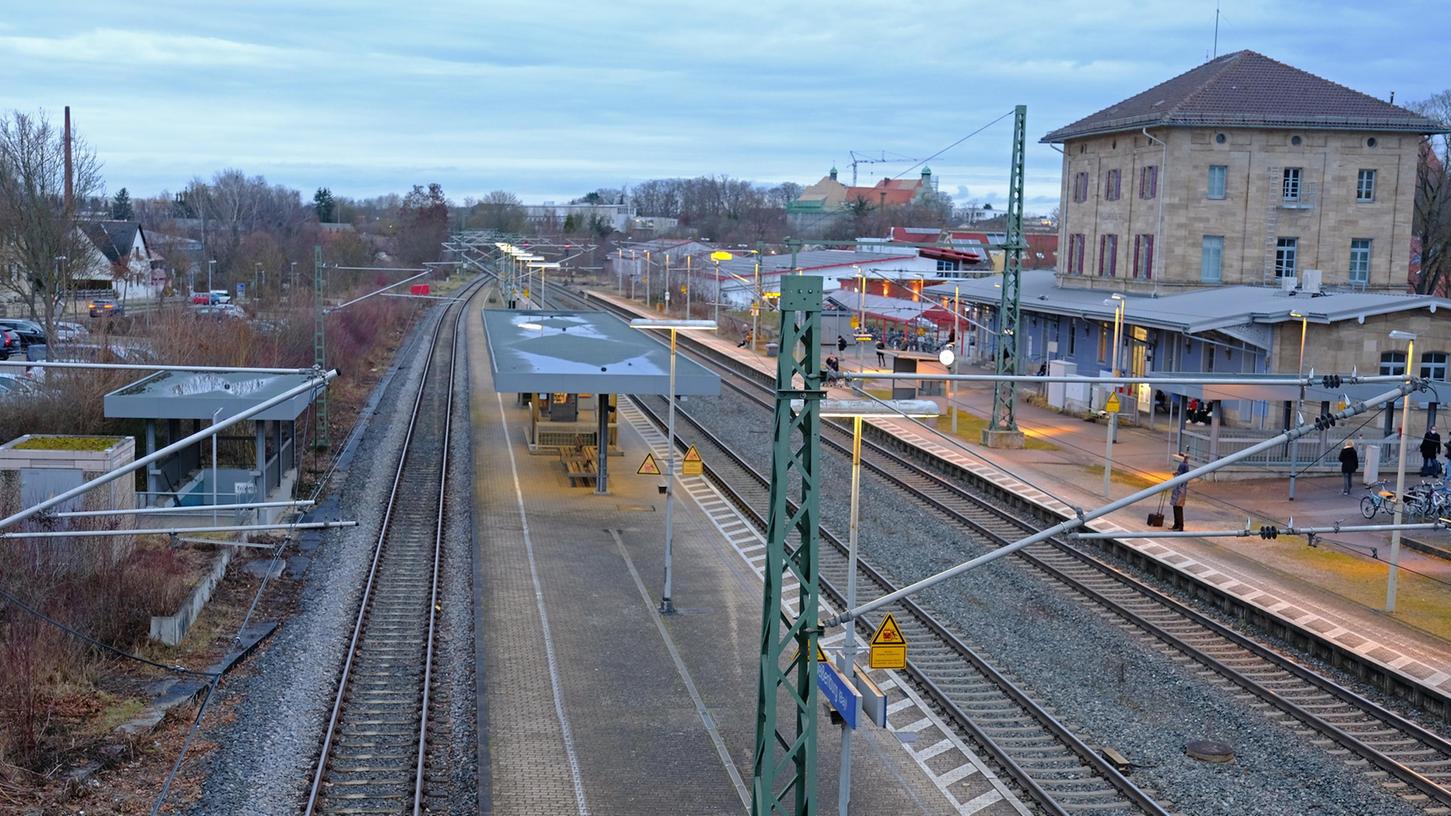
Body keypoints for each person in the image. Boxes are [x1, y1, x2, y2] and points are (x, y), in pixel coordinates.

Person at [1169, 452, 1191, 531]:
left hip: (1180, 488)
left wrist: (1177, 475)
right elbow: (1180, 473)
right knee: (1176, 506)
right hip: (1178, 487)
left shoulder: (1184, 465)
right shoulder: (1183, 465)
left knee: (1178, 507)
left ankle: (1180, 525)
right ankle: (1177, 524)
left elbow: (1184, 476)